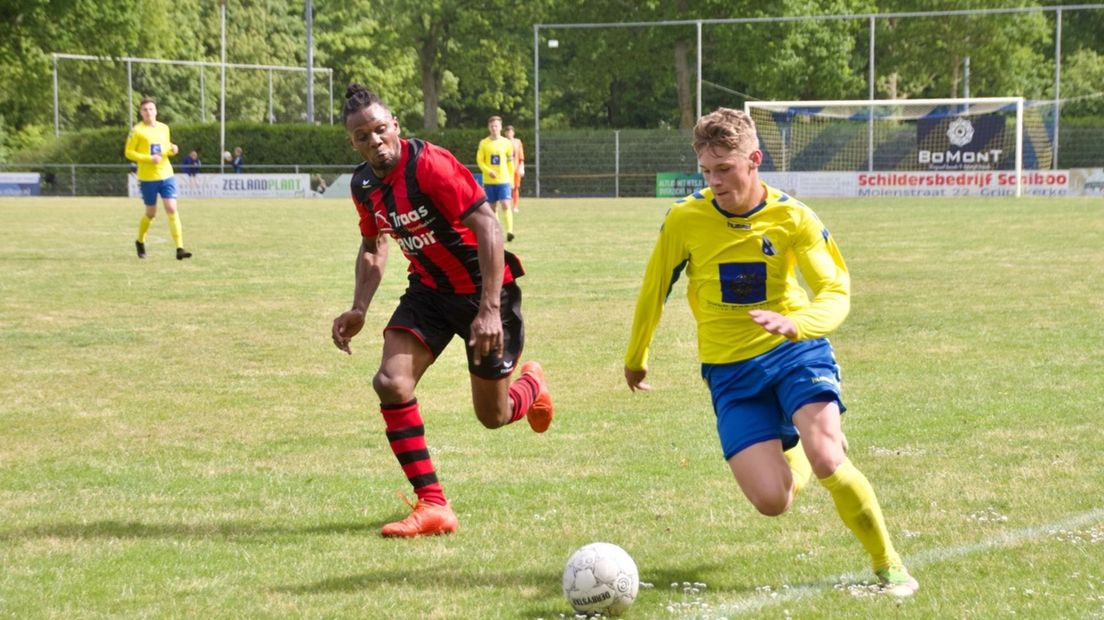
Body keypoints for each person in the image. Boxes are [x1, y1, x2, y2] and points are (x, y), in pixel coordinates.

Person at [623, 108, 919, 597]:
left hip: (795, 352)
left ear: (754, 160)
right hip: (729, 371)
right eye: (707, 171)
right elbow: (654, 287)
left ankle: (890, 566)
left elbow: (835, 289)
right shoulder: (685, 219)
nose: (715, 181)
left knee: (828, 456)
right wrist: (636, 355)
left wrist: (797, 323)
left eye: (726, 169)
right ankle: (797, 447)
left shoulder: (794, 216)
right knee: (772, 500)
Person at [331, 85, 554, 538]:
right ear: (352, 142)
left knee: (492, 417)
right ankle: (433, 505)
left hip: (483, 291)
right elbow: (373, 246)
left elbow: (489, 226)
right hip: (429, 293)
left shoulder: (429, 164)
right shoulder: (364, 184)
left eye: (379, 130)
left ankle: (532, 384)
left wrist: (489, 310)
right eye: (361, 136)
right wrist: (359, 307)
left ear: (394, 126)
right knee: (390, 382)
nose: (374, 141)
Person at [124, 97, 192, 260]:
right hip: (147, 178)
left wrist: (172, 149)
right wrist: (148, 158)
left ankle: (179, 248)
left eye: (151, 109)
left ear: (156, 111)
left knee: (171, 208)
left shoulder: (164, 128)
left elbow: (165, 148)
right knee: (151, 213)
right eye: (145, 110)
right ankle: (140, 241)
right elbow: (129, 152)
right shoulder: (137, 130)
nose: (148, 112)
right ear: (140, 113)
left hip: (166, 174)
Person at [476, 115, 515, 241]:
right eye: (492, 126)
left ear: (500, 127)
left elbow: (510, 163)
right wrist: (488, 171)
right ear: (489, 127)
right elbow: (480, 161)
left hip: (503, 180)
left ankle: (510, 231)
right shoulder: (484, 143)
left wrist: (511, 179)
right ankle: (498, 230)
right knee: (492, 208)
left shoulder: (507, 143)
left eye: (496, 125)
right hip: (489, 181)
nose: (494, 128)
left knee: (505, 204)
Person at [505, 125, 525, 213]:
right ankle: (507, 205)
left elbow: (521, 156)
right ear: (505, 133)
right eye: (508, 132)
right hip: (505, 169)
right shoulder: (502, 142)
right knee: (506, 188)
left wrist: (522, 167)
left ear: (513, 133)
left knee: (515, 188)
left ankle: (515, 206)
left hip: (515, 168)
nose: (509, 133)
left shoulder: (517, 142)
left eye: (511, 132)